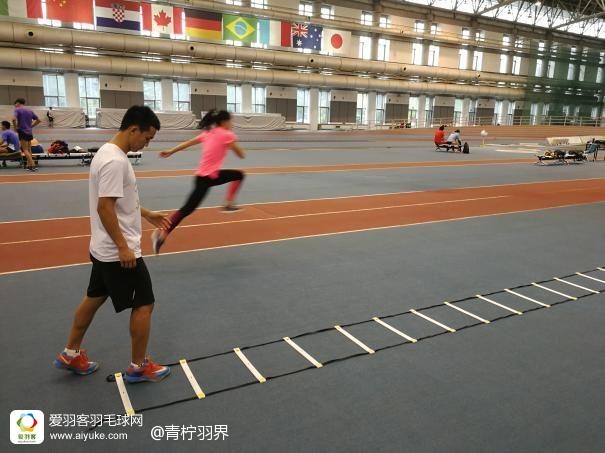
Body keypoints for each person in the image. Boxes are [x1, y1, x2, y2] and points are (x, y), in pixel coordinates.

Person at [54, 106, 172, 384]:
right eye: (147, 138)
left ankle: (70, 353)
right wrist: (123, 247)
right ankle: (139, 366)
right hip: (117, 252)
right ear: (133, 129)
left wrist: (146, 213)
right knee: (144, 303)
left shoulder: (107, 153)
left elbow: (118, 201)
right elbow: (105, 207)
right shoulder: (115, 161)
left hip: (101, 248)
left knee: (94, 296)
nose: (147, 144)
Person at [151, 109, 246, 254]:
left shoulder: (208, 133)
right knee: (187, 209)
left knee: (187, 209)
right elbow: (241, 155)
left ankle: (162, 235)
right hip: (207, 178)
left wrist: (170, 151)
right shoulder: (227, 134)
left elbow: (189, 143)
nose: (232, 124)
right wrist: (232, 142)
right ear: (225, 122)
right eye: (231, 121)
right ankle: (160, 234)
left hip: (205, 177)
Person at [12, 98, 40, 171]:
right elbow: (38, 120)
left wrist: (15, 128)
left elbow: (13, 119)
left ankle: (33, 165)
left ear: (18, 103)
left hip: (22, 131)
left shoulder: (17, 110)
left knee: (25, 150)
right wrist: (31, 126)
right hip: (29, 132)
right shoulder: (29, 110)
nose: (15, 105)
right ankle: (28, 165)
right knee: (29, 149)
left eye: (15, 104)